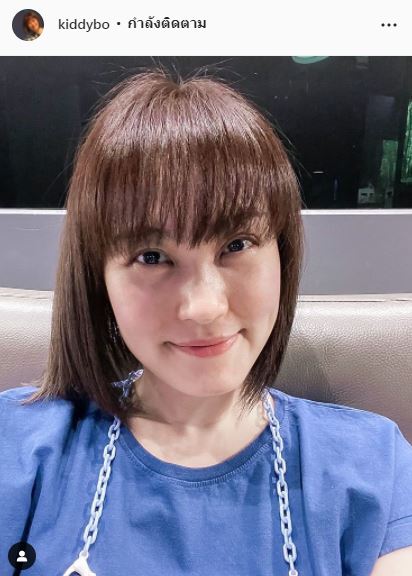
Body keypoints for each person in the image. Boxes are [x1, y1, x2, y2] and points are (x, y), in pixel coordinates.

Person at [1, 68, 412, 576]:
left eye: (236, 244)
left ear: (281, 255)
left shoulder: (372, 466)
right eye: (152, 257)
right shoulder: (17, 445)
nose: (204, 306)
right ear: (98, 278)